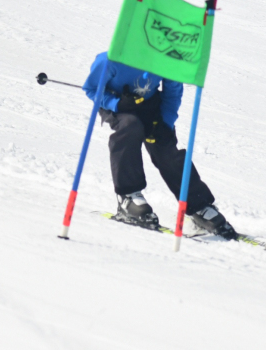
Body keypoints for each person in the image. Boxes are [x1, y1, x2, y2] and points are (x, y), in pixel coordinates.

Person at [83, 52, 237, 239]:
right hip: (119, 104)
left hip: (150, 105)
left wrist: (166, 123)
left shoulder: (165, 56)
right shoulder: (111, 59)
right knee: (130, 127)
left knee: (165, 149)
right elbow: (92, 89)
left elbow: (173, 92)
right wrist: (116, 103)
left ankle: (198, 205)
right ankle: (128, 196)